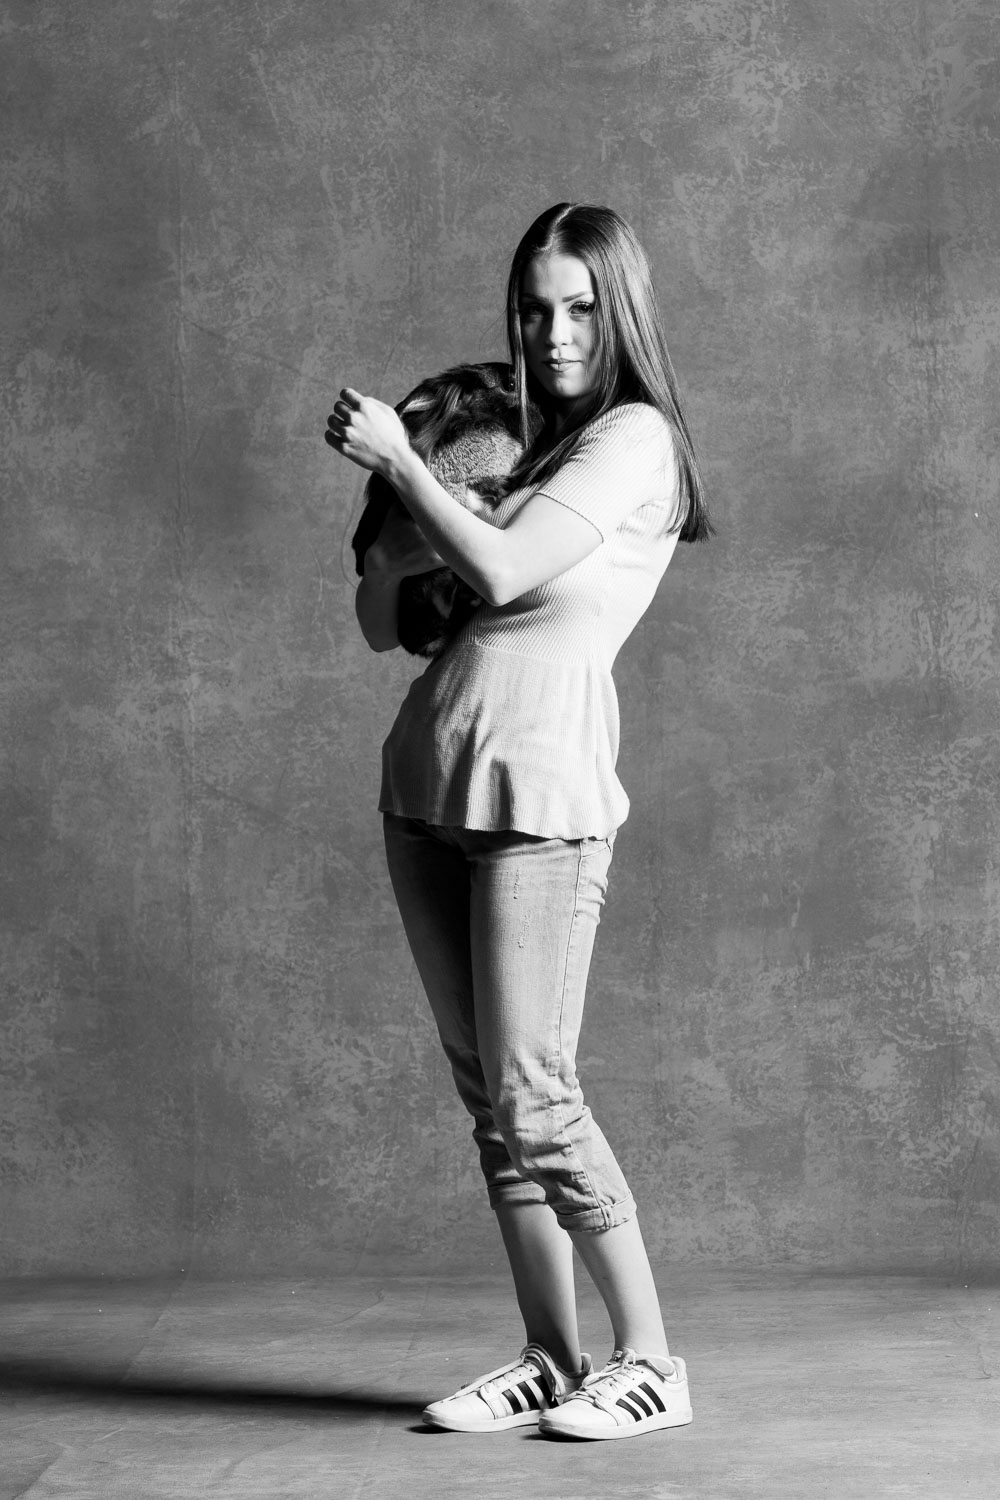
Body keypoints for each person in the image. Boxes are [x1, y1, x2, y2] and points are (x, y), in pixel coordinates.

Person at [325, 202, 712, 1442]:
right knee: (491, 1105)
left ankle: (648, 1360)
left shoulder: (636, 441)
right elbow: (385, 625)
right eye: (535, 311)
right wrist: (395, 542)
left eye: (582, 309)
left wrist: (401, 464)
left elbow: (499, 572)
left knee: (538, 1095)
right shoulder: (526, 443)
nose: (555, 335)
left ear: (621, 312)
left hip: (540, 803)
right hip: (424, 790)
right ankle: (551, 1356)